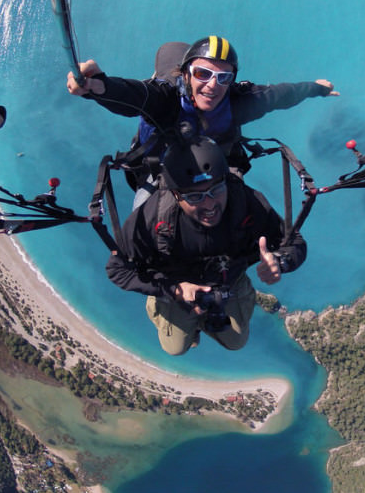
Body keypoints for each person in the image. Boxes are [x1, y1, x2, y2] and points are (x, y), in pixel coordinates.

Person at [66, 35, 338, 201]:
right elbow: (135, 96)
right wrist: (98, 87)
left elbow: (281, 95)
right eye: (202, 74)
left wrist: (316, 88)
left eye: (223, 78)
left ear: (232, 80)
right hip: (160, 173)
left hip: (215, 170)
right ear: (185, 74)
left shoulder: (238, 102)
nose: (212, 85)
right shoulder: (167, 99)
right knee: (147, 214)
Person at [105, 136, 307, 355]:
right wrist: (173, 289)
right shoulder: (151, 218)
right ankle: (166, 307)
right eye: (194, 197)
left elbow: (294, 242)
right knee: (175, 348)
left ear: (225, 180)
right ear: (175, 194)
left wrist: (280, 262)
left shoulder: (245, 201)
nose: (209, 205)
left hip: (228, 280)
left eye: (216, 190)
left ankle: (208, 311)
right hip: (178, 286)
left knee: (236, 342)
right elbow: (117, 270)